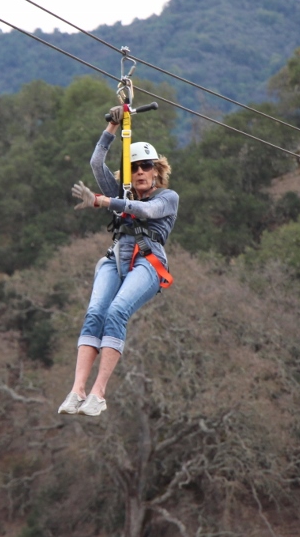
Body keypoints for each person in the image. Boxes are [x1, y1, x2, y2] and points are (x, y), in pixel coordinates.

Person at [59, 106, 179, 417]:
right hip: (115, 258)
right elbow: (96, 162)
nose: (140, 172)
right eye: (134, 167)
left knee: (116, 311)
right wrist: (113, 126)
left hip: (148, 262)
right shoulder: (122, 191)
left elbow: (146, 212)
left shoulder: (167, 198)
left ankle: (98, 393)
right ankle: (77, 390)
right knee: (95, 312)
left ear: (156, 171)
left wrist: (102, 200)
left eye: (146, 167)